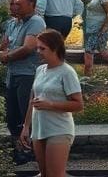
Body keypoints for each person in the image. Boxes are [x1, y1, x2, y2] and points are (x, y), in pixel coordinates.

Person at [19, 29, 83, 177]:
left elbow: (78, 105)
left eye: (42, 48)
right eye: (37, 48)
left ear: (55, 48)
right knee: (45, 174)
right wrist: (26, 126)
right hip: (39, 128)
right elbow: (32, 100)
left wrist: (51, 105)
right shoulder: (40, 70)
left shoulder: (67, 72)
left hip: (59, 129)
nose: (38, 51)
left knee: (55, 174)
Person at [0, 0, 46, 162]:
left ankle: (29, 151)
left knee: (25, 114)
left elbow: (28, 48)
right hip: (12, 74)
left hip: (28, 75)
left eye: (19, 3)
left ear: (31, 5)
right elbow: (2, 46)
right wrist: (4, 53)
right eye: (12, 3)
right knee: (12, 116)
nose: (14, 6)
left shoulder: (35, 22)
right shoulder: (11, 23)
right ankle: (19, 149)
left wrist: (6, 55)